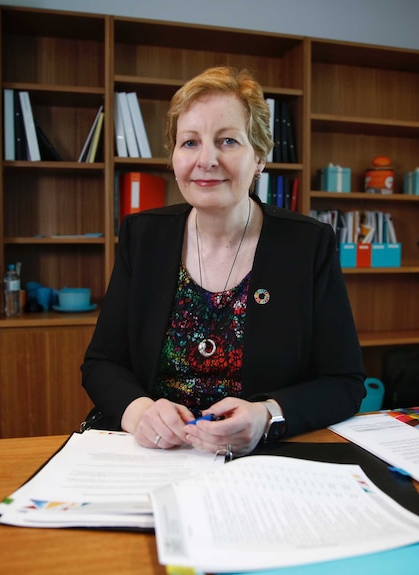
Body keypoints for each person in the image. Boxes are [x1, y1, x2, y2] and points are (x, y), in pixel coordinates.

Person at [81, 66, 365, 457]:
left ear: (261, 157)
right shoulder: (142, 236)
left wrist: (267, 416)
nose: (207, 159)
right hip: (153, 453)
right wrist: (140, 412)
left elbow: (344, 382)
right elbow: (102, 362)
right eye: (190, 142)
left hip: (258, 459)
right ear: (174, 156)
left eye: (228, 141)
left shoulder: (307, 245)